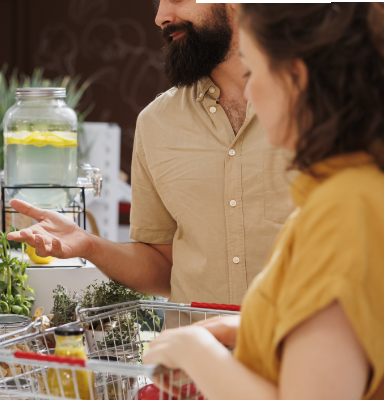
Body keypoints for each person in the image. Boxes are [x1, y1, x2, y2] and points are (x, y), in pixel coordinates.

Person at [143, 4, 384, 399]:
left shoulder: (340, 212)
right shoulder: (356, 190)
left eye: (252, 72)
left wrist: (196, 352)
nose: (247, 90)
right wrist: (249, 328)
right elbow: (347, 329)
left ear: (296, 78)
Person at [8, 1, 294, 306]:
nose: (161, 17)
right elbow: (162, 267)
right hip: (190, 349)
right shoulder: (156, 122)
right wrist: (89, 245)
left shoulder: (323, 103)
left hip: (307, 349)